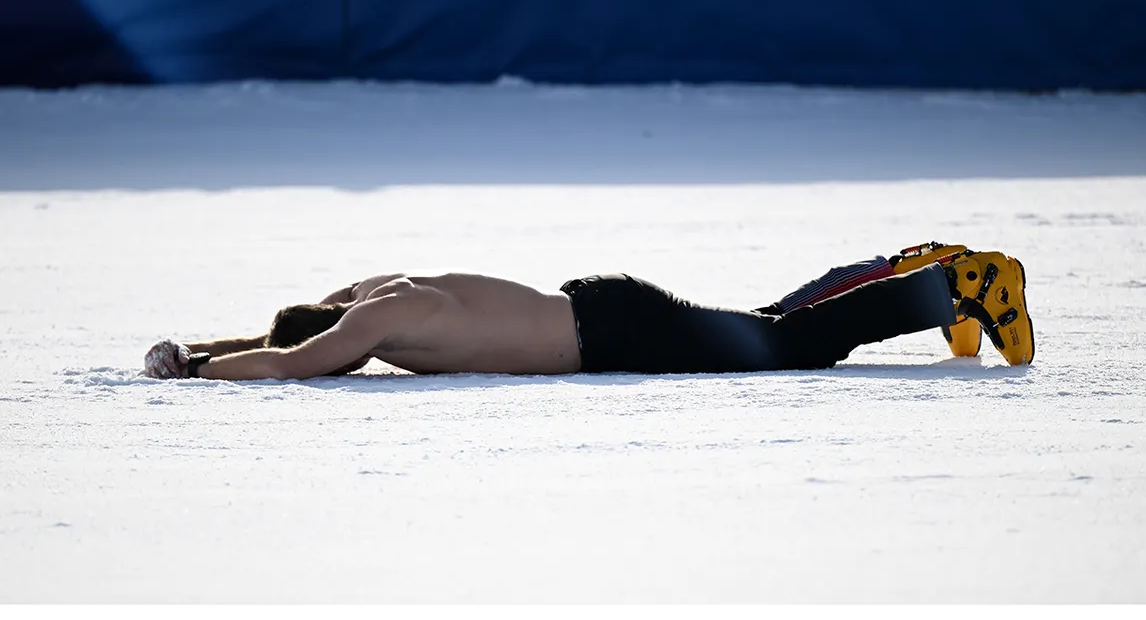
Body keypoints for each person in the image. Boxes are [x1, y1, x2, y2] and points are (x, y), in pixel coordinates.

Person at [142, 242, 1034, 381]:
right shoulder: (374, 294)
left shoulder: (365, 326)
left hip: (608, 330)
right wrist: (198, 348)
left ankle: (960, 285)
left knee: (790, 345)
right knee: (767, 326)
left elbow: (291, 360)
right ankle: (908, 267)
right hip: (600, 309)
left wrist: (200, 373)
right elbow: (288, 335)